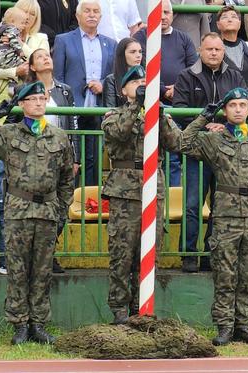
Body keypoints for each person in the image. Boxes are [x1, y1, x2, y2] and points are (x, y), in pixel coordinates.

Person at [0, 81, 74, 345]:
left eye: (41, 98)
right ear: (22, 104)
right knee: (17, 270)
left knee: (42, 271)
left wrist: (61, 209)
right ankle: (20, 325)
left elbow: (68, 177)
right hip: (18, 210)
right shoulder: (9, 134)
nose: (38, 103)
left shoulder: (58, 136)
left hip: (47, 210)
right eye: (32, 99)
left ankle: (38, 324)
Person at [173, 87, 248, 346]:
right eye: (233, 105)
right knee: (224, 273)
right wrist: (204, 117)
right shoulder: (214, 140)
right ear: (225, 111)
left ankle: (244, 325)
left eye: (242, 105)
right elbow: (182, 143)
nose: (238, 109)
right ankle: (225, 326)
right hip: (226, 216)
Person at [102, 65, 178, 323]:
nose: (141, 85)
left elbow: (175, 142)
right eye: (135, 82)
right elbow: (119, 133)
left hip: (152, 188)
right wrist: (138, 106)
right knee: (122, 253)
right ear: (124, 90)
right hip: (125, 191)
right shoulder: (114, 113)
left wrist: (160, 113)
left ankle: (141, 308)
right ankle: (120, 311)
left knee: (149, 254)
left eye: (145, 81)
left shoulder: (155, 114)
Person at [172, 32, 246, 273]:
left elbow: (245, 107)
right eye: (209, 49)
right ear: (200, 51)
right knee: (192, 204)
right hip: (197, 151)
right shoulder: (186, 76)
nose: (214, 53)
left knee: (220, 205)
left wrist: (223, 125)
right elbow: (180, 110)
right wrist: (206, 124)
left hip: (225, 152)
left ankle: (210, 252)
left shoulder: (235, 75)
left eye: (218, 49)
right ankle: (189, 254)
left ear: (224, 52)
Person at [24, 48, 81, 273]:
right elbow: (12, 121)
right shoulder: (24, 90)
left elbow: (73, 123)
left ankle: (49, 253)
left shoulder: (64, 91)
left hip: (59, 156)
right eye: (39, 57)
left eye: (47, 55)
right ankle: (34, 255)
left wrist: (74, 157)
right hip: (32, 158)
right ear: (31, 67)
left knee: (61, 207)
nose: (46, 58)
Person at [53, 0, 116, 186]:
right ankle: (69, 200)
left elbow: (114, 75)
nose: (92, 14)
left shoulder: (110, 44)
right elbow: (58, 76)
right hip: (72, 107)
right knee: (72, 155)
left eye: (96, 11)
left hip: (98, 107)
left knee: (94, 156)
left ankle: (91, 198)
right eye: (87, 11)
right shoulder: (63, 40)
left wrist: (103, 84)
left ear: (101, 17)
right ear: (77, 16)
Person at [132, 0, 199, 106]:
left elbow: (194, 68)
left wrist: (177, 87)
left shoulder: (184, 38)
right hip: (148, 100)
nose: (163, 17)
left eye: (166, 12)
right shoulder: (140, 38)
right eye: (158, 12)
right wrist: (164, 91)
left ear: (172, 15)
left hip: (181, 98)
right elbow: (140, 68)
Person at [0, 0, 49, 104]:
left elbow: (42, 67)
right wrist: (14, 72)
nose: (27, 17)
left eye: (32, 14)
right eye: (24, 11)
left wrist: (21, 44)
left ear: (37, 19)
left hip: (31, 98)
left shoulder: (41, 38)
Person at [216, 5, 248, 86]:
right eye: (224, 17)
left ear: (239, 23)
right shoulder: (214, 50)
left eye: (234, 17)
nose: (229, 20)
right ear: (218, 24)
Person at [102, 37, 143, 108]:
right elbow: (109, 112)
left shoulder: (148, 78)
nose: (138, 55)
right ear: (122, 55)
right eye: (133, 52)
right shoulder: (111, 80)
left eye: (140, 51)